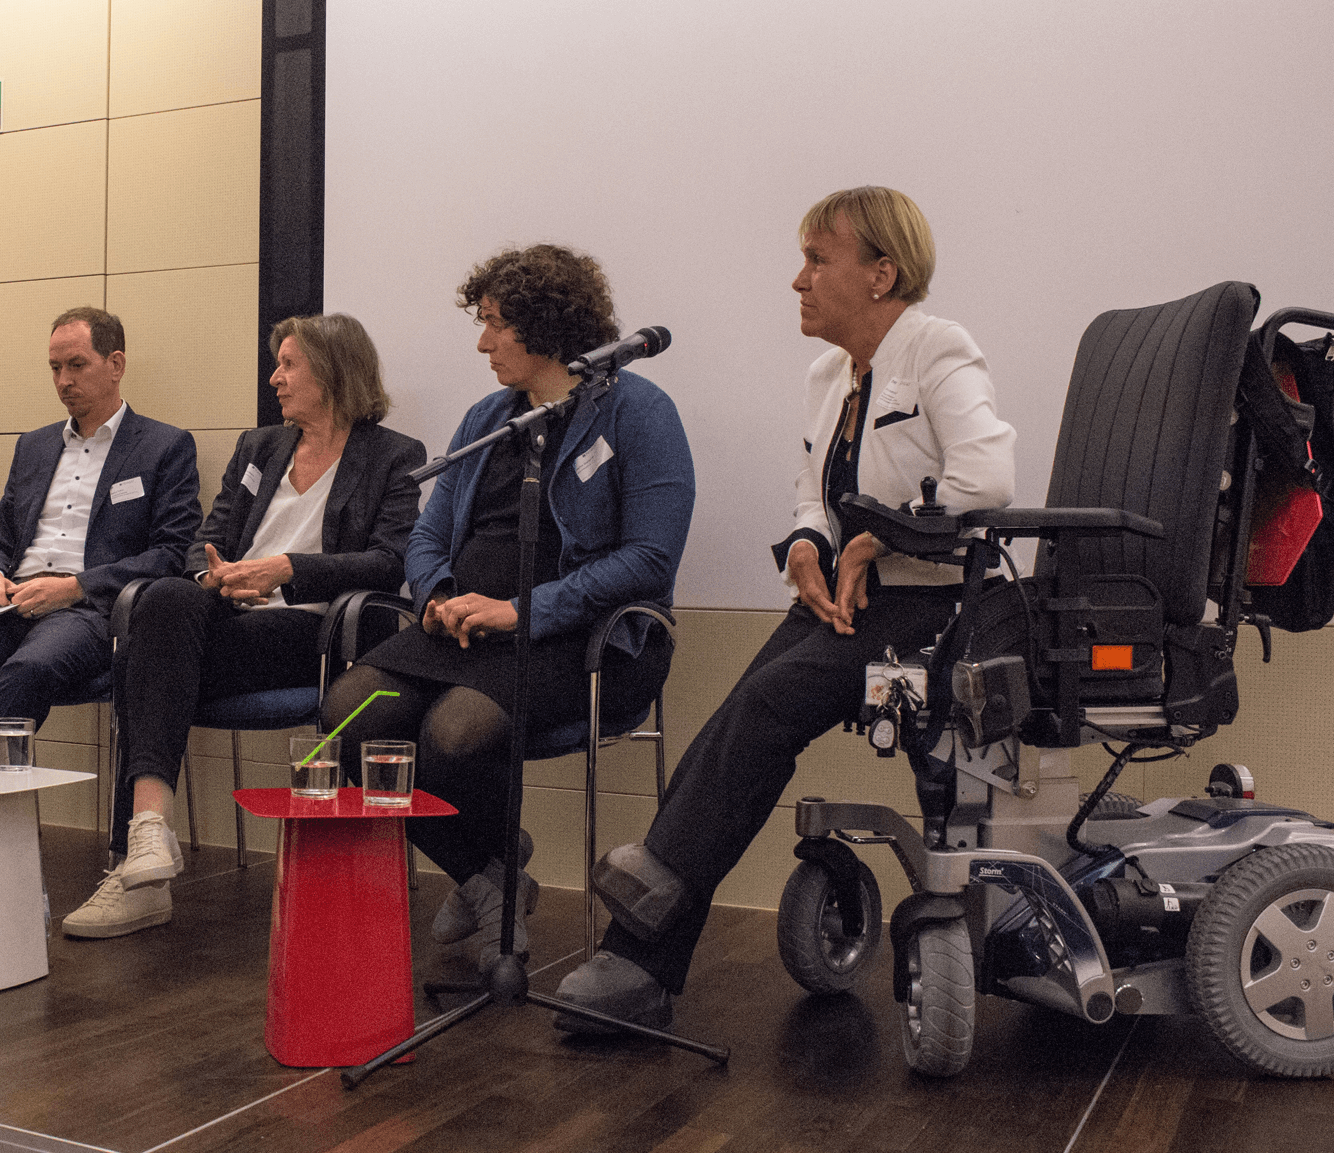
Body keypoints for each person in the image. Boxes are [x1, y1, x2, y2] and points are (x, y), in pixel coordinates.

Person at [557, 186, 1016, 1031]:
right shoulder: (828, 374)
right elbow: (814, 490)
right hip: (849, 600)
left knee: (767, 705)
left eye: (815, 260)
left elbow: (985, 481)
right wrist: (807, 542)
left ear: (880, 274)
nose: (797, 280)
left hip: (935, 604)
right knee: (738, 715)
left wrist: (880, 537)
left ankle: (642, 938)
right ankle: (644, 952)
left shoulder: (937, 348)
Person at [320, 245, 695, 968]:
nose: (482, 343)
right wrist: (435, 595)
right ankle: (489, 873)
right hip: (464, 629)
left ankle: (485, 879)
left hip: (589, 638)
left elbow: (649, 559)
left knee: (454, 732)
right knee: (349, 715)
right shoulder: (488, 418)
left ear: (544, 327)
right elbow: (428, 533)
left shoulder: (640, 412)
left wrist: (522, 611)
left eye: (495, 324)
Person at [63, 313, 428, 938]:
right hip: (229, 617)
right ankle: (150, 836)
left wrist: (287, 570)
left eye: (288, 365)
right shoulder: (259, 447)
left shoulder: (393, 456)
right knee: (167, 598)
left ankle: (137, 861)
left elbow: (390, 561)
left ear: (333, 372)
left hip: (317, 628)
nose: (274, 378)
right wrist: (214, 575)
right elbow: (205, 538)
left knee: (142, 661)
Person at [0, 307, 202, 761]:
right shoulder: (34, 445)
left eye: (77, 365)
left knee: (26, 671)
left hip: (85, 609)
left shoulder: (164, 446)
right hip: (8, 602)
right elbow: (2, 540)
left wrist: (74, 587)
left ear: (116, 365)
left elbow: (170, 553)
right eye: (55, 367)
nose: (64, 380)